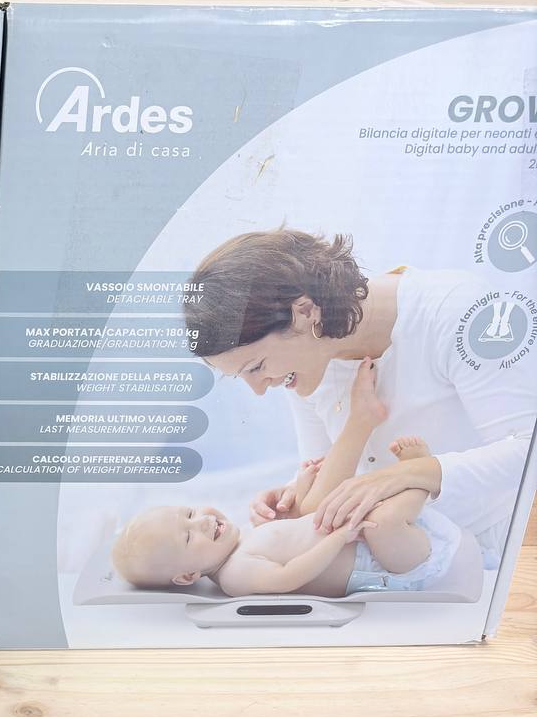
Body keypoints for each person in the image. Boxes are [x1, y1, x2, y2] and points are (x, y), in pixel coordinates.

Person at [185, 229, 534, 561]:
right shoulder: (309, 358)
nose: (260, 389)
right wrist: (295, 493)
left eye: (257, 366)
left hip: (505, 545)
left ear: (304, 312)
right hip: (397, 556)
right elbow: (326, 465)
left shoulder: (455, 310)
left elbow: (527, 449)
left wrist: (407, 474)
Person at [113, 360, 461, 597]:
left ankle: (368, 428)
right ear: (189, 576)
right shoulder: (235, 576)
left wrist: (301, 487)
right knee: (382, 521)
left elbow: (297, 531)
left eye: (190, 514)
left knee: (313, 507)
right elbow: (288, 577)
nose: (202, 522)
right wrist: (336, 539)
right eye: (189, 537)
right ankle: (419, 474)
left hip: (370, 543)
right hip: (395, 564)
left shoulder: (241, 541)